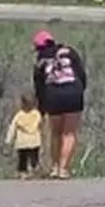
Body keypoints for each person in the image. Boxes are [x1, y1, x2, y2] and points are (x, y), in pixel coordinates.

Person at [31, 29, 88, 179]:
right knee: (69, 133)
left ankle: (55, 167)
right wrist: (81, 90)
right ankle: (64, 169)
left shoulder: (40, 62)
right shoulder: (69, 52)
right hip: (73, 92)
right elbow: (81, 73)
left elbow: (39, 87)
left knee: (55, 133)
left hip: (53, 95)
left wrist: (42, 109)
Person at [5, 92, 43, 179]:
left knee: (23, 158)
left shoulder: (19, 116)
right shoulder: (36, 115)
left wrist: (8, 140)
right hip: (34, 141)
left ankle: (23, 172)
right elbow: (40, 126)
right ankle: (34, 169)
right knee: (34, 157)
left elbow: (12, 128)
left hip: (22, 142)